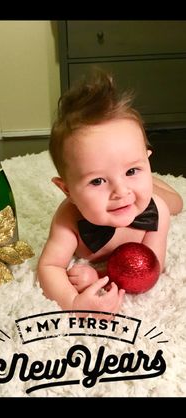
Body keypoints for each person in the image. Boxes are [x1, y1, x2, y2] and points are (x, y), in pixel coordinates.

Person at [37, 69, 183, 316]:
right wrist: (74, 302)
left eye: (132, 170)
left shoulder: (157, 212)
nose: (120, 191)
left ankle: (151, 179)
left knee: (177, 202)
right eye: (97, 181)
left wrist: (99, 275)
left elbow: (151, 267)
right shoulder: (68, 218)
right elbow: (49, 266)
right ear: (67, 190)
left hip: (156, 199)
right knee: (134, 185)